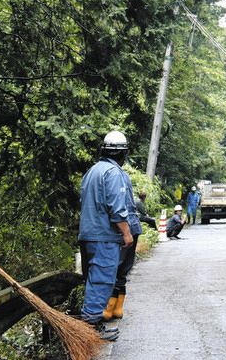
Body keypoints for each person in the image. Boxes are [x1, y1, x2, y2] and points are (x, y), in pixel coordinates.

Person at [77, 130, 133, 341]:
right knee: (102, 280)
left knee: (92, 279)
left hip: (88, 235)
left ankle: (91, 323)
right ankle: (90, 328)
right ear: (123, 153)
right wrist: (126, 233)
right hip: (104, 236)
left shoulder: (92, 171)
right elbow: (116, 208)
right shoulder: (113, 173)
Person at [106, 177, 147, 322]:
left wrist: (125, 232)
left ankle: (109, 309)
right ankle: (117, 309)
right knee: (123, 269)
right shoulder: (123, 177)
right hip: (133, 225)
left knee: (115, 268)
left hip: (125, 227)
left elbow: (117, 208)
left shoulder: (114, 177)